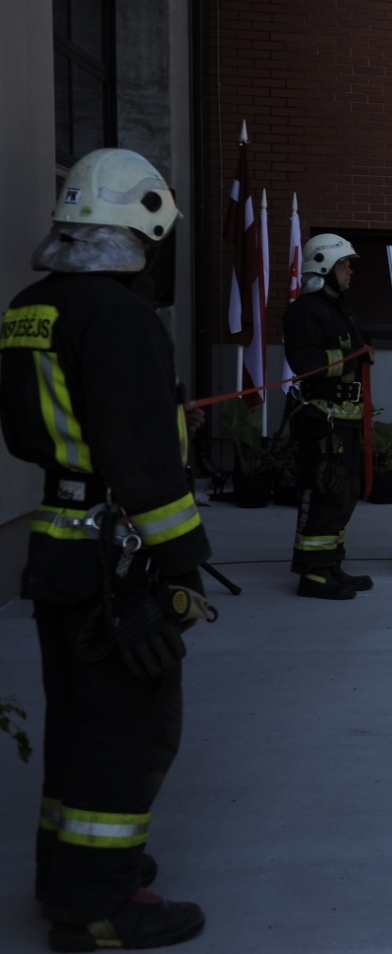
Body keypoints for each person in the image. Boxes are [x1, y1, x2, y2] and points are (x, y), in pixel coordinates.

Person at [2, 149, 210, 950]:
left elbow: (33, 436)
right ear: (145, 222)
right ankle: (95, 907)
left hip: (60, 547)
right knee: (131, 729)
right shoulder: (119, 317)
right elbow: (143, 456)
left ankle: (70, 870)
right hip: (117, 558)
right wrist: (183, 560)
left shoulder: (30, 306)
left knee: (78, 722)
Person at [282, 234, 372, 600]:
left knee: (345, 495)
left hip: (346, 420)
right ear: (323, 266)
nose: (349, 271)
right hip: (323, 420)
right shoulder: (305, 310)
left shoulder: (342, 308)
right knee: (325, 493)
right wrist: (352, 356)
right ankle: (313, 574)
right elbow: (306, 364)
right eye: (343, 265)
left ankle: (331, 563)